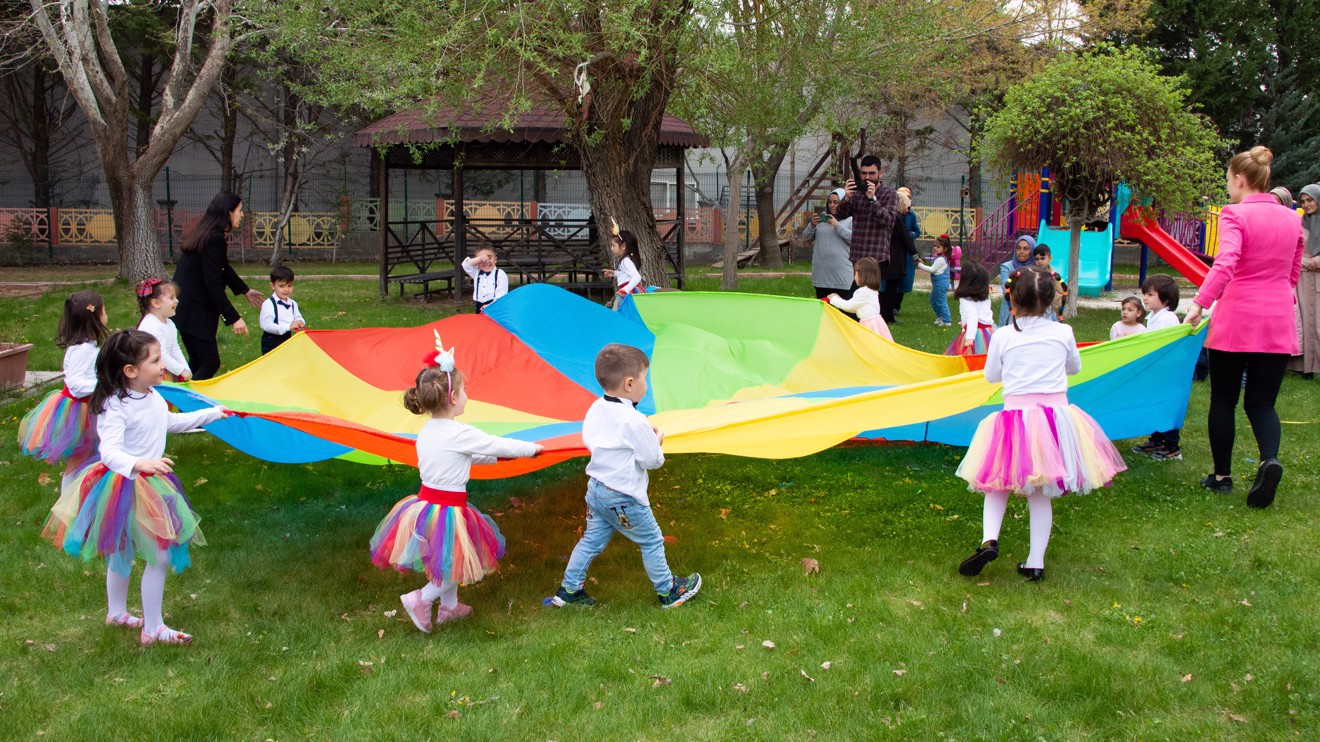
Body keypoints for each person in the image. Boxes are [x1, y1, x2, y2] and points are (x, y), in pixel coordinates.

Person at [41, 329, 228, 645]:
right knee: (159, 556)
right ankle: (152, 628)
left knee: (125, 552)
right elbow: (110, 451)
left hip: (149, 483)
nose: (161, 366)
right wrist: (139, 463)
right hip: (125, 486)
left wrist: (212, 414)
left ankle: (117, 614)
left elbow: (168, 424)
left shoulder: (153, 396)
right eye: (155, 361)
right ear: (131, 371)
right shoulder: (116, 406)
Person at [955, 267, 1126, 582]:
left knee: (997, 483)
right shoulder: (1063, 333)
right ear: (1050, 301)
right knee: (1040, 493)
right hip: (1053, 421)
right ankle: (1035, 563)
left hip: (1015, 419)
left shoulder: (1005, 335)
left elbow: (992, 376)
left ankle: (989, 539)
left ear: (1013, 301)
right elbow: (1074, 367)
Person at [371, 336, 542, 632]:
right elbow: (493, 444)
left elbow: (462, 457)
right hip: (448, 509)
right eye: (463, 391)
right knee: (459, 561)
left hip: (425, 505)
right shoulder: (459, 432)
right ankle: (420, 599)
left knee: (449, 557)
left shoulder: (428, 431)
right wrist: (531, 449)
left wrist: (495, 461)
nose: (466, 396)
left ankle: (449, 608)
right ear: (452, 398)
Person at [1183, 146, 1304, 508]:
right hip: (1277, 319)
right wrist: (1283, 297)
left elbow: (1227, 262)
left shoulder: (1234, 214)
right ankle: (1269, 459)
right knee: (1262, 403)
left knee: (1223, 399)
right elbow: (1293, 269)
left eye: (1228, 181)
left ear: (1239, 179)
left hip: (1237, 319)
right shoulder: (1292, 218)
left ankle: (1221, 476)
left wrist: (1199, 303)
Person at [545, 343, 701, 609]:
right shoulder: (634, 420)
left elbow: (601, 440)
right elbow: (652, 461)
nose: (647, 384)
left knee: (591, 541)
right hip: (624, 496)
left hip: (596, 489)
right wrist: (656, 441)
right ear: (630, 383)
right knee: (651, 540)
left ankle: (568, 590)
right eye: (645, 378)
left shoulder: (596, 407)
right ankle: (668, 591)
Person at [19, 290, 109, 489]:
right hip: (79, 411)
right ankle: (67, 501)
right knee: (79, 457)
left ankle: (90, 491)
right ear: (94, 316)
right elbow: (76, 385)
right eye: (104, 310)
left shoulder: (88, 346)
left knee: (96, 453)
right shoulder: (82, 349)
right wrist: (105, 385)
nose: (106, 315)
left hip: (88, 406)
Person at [173, 192, 263, 380]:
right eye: (239, 210)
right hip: (195, 310)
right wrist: (234, 318)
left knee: (198, 361)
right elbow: (212, 284)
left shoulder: (207, 233)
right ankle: (185, 404)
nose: (242, 214)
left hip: (185, 308)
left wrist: (245, 290)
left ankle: (180, 404)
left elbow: (222, 267)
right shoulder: (214, 239)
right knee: (209, 362)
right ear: (228, 212)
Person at [1131, 274, 1185, 460]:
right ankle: (1157, 439)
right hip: (1155, 372)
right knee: (1154, 404)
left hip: (1166, 372)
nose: (1145, 298)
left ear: (1166, 299)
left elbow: (1167, 346)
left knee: (1165, 406)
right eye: (1144, 293)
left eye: (1150, 294)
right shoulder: (1153, 317)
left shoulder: (1167, 318)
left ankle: (1172, 445)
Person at [833, 154, 899, 274]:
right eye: (864, 173)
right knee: (857, 291)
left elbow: (888, 221)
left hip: (877, 256)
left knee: (866, 292)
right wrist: (847, 198)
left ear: (880, 173)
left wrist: (872, 200)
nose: (867, 177)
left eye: (871, 173)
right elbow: (840, 215)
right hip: (857, 254)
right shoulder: (857, 193)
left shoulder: (890, 194)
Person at [1288, 184, 1320, 374]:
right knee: (1304, 324)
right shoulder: (1298, 223)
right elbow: (1292, 249)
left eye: (1310, 200)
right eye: (1303, 201)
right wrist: (1304, 262)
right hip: (1301, 281)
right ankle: (1305, 368)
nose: (1306, 204)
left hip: (1317, 280)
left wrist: (1316, 261)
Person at [135, 279, 191, 381]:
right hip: (152, 373)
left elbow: (174, 348)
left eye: (175, 297)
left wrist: (185, 369)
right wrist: (181, 371)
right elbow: (161, 355)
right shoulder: (151, 325)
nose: (176, 301)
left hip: (166, 368)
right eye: (171, 298)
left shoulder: (170, 324)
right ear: (156, 303)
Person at [826, 257, 893, 341]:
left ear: (863, 275)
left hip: (869, 325)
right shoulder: (871, 290)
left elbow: (849, 306)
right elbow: (855, 307)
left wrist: (834, 299)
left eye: (856, 273)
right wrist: (839, 299)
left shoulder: (862, 292)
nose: (854, 276)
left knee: (867, 346)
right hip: (876, 323)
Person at [803, 188, 853, 299]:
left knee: (842, 312)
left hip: (842, 275)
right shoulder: (822, 220)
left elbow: (854, 239)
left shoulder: (849, 219)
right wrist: (812, 225)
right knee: (824, 311)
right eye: (829, 202)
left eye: (836, 202)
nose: (832, 205)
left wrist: (837, 225)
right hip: (822, 275)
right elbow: (805, 237)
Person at [880, 192, 922, 323]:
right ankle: (887, 316)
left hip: (883, 255)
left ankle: (883, 314)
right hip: (895, 257)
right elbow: (906, 238)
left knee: (883, 287)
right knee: (891, 288)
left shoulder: (885, 215)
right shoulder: (898, 217)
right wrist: (915, 256)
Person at [946, 261, 994, 355]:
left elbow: (973, 315)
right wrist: (964, 321)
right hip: (988, 331)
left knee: (971, 358)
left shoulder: (965, 299)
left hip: (975, 334)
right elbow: (984, 314)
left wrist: (970, 338)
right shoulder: (985, 297)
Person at [258, 265, 306, 355]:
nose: (286, 289)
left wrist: (300, 321)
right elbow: (267, 325)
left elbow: (298, 316)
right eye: (281, 286)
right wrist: (288, 327)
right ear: (272, 286)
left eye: (289, 286)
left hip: (287, 339)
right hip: (271, 342)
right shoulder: (269, 304)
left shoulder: (293, 304)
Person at [892, 186, 921, 317]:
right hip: (895, 250)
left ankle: (896, 306)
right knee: (892, 279)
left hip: (907, 252)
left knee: (904, 279)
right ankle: (889, 305)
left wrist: (909, 235)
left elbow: (916, 231)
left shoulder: (911, 215)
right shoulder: (892, 213)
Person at [999, 235, 1037, 326]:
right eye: (1018, 248)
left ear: (1032, 250)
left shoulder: (1036, 268)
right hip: (1011, 311)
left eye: (1026, 249)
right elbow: (1006, 291)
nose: (1021, 252)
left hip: (1032, 312)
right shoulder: (1007, 267)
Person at [601, 230, 644, 309]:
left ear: (623, 246)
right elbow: (626, 274)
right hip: (627, 291)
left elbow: (637, 277)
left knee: (620, 315)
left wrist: (625, 290)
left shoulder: (625, 261)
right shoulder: (625, 260)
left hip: (628, 293)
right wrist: (615, 273)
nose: (611, 248)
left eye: (613, 245)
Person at [460, 246, 509, 314]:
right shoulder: (476, 272)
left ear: (495, 260)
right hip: (479, 306)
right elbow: (465, 265)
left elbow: (501, 294)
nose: (486, 261)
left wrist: (491, 305)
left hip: (495, 306)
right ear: (477, 263)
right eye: (481, 260)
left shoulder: (500, 274)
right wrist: (479, 258)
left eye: (489, 257)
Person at [917, 234, 952, 327]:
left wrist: (919, 265)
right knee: (933, 300)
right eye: (934, 246)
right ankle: (940, 317)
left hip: (940, 284)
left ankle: (946, 320)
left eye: (938, 247)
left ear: (945, 249)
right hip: (938, 284)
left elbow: (932, 269)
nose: (935, 248)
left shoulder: (941, 260)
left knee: (941, 301)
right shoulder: (940, 258)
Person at [1030, 244, 1066, 321]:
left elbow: (1060, 291)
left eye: (1042, 258)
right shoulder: (1032, 273)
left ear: (1050, 258)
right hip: (1033, 307)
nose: (1039, 261)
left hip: (1049, 307)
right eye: (1036, 259)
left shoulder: (1054, 275)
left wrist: (1049, 302)